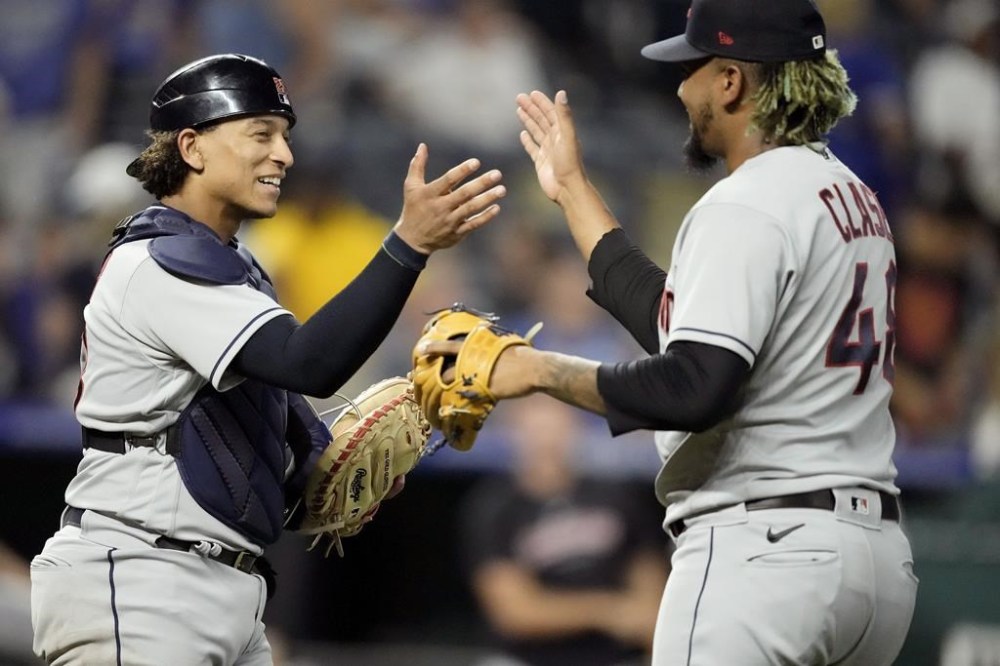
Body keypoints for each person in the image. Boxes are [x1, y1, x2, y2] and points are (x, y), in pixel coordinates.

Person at [425, 1, 919, 663]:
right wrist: (572, 190)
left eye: (692, 68)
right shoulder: (853, 198)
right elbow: (683, 328)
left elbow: (692, 385)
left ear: (730, 82)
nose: (681, 88)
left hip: (764, 553)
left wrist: (539, 370)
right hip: (873, 566)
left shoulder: (746, 202)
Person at [29, 53, 506, 665]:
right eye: (261, 134)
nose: (284, 154)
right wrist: (408, 245)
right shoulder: (158, 262)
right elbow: (308, 362)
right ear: (193, 147)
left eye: (284, 136)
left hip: (219, 587)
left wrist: (348, 454)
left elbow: (279, 444)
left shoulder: (236, 272)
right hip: (142, 578)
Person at [461, 397, 667, 666]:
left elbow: (651, 596)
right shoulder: (493, 508)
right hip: (529, 659)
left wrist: (637, 619)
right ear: (514, 431)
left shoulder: (617, 497)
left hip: (613, 656)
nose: (546, 435)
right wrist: (606, 610)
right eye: (535, 425)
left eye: (555, 421)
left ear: (575, 426)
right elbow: (515, 613)